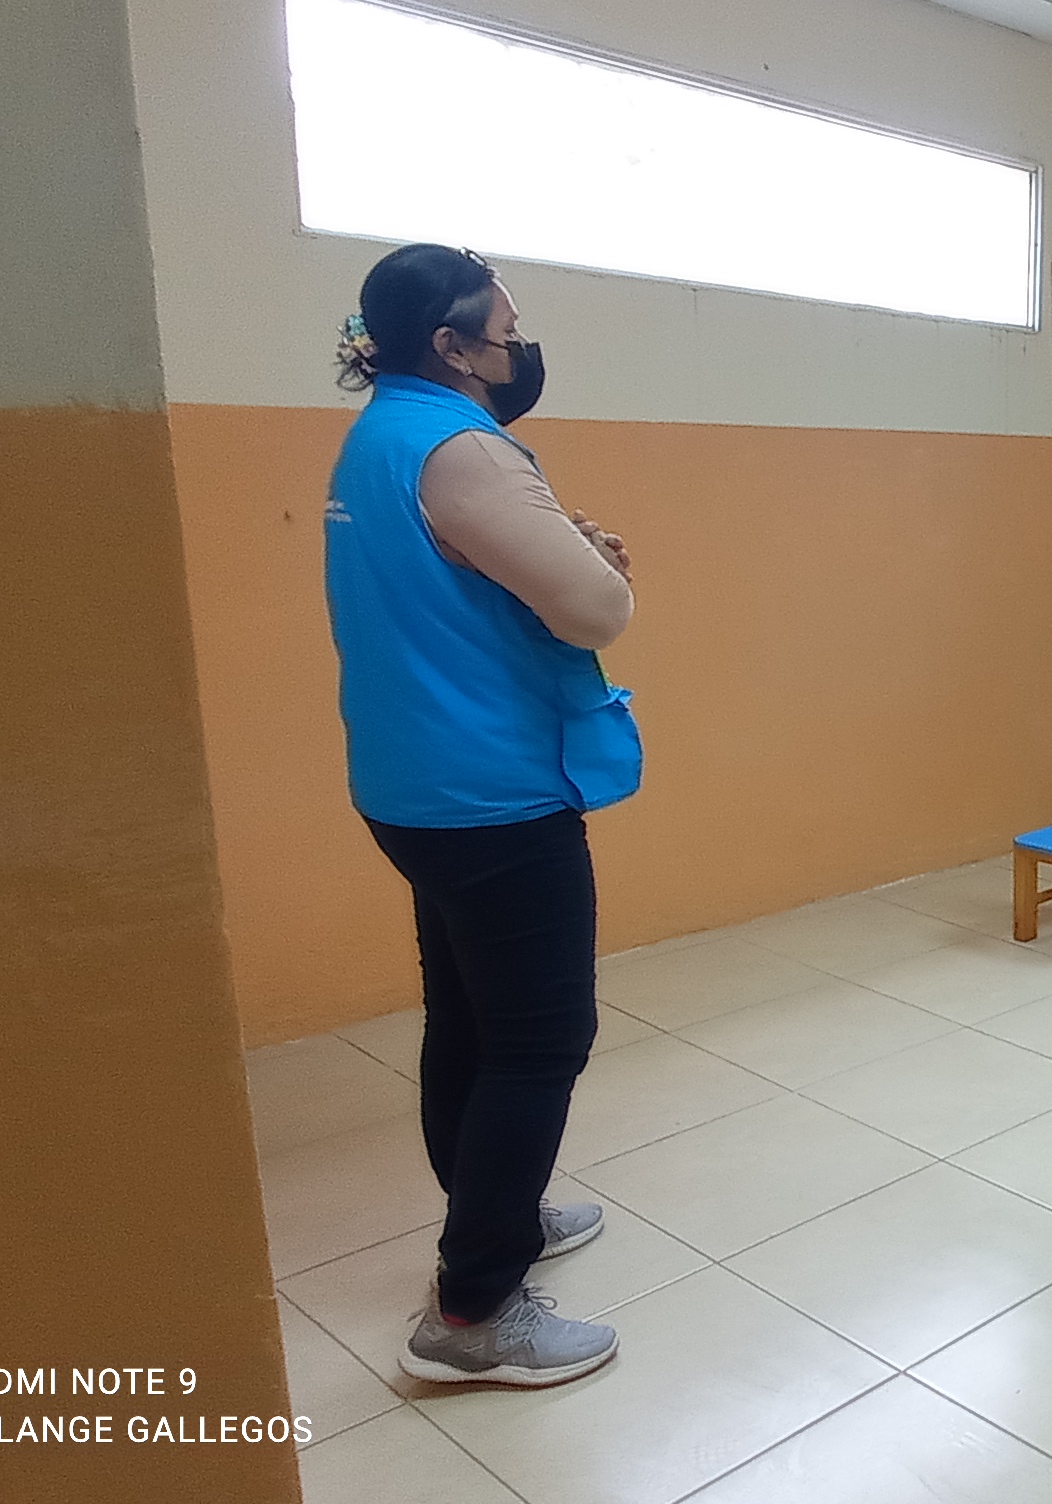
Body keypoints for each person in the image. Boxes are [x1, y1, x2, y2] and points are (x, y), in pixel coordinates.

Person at [324, 244, 635, 1389]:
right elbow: (595, 610)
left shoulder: (380, 438)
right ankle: (473, 1310)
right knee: (540, 1039)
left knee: (467, 1015)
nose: (520, 347)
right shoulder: (462, 450)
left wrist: (562, 558)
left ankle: (492, 1212)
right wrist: (592, 562)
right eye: (506, 332)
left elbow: (464, 583)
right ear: (452, 346)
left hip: (412, 786)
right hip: (492, 795)